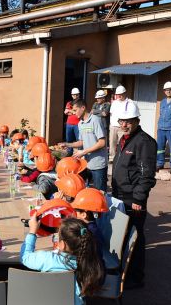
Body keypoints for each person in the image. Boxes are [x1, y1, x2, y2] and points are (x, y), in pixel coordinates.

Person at [21, 216, 104, 305]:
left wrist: (32, 232)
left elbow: (25, 257)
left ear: (62, 244)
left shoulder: (47, 259)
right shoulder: (89, 261)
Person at [111, 105, 157, 289]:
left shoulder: (144, 142)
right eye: (122, 121)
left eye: (128, 121)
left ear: (137, 121)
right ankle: (125, 272)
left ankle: (136, 277)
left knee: (134, 239)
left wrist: (139, 199)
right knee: (123, 237)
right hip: (120, 194)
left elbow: (146, 175)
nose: (124, 124)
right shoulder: (125, 139)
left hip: (133, 198)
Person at [60, 100, 108, 191]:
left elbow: (102, 143)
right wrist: (67, 144)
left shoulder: (95, 120)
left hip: (98, 164)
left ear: (83, 108)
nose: (73, 113)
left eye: (75, 110)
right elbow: (81, 142)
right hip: (87, 164)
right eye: (72, 111)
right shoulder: (80, 123)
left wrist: (84, 152)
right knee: (87, 191)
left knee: (101, 194)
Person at [71, 188, 109, 274]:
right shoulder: (93, 228)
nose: (74, 213)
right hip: (96, 270)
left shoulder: (88, 232)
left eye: (76, 211)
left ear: (84, 214)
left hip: (90, 274)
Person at [108, 85, 139, 159]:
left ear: (125, 93)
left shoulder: (130, 103)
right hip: (113, 126)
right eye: (118, 94)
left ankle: (122, 157)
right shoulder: (115, 103)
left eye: (121, 94)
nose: (119, 96)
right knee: (112, 143)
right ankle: (112, 158)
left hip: (123, 127)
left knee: (123, 143)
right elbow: (111, 113)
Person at [63, 88, 81, 155]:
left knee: (79, 140)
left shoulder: (80, 103)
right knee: (69, 140)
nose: (75, 96)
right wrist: (74, 111)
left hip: (78, 124)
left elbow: (78, 113)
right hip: (69, 124)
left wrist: (71, 111)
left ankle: (80, 153)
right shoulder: (69, 103)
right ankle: (69, 153)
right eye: (74, 95)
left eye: (76, 95)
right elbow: (66, 112)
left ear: (79, 95)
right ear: (72, 95)